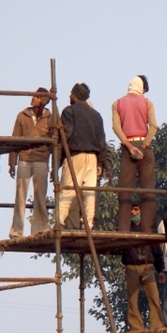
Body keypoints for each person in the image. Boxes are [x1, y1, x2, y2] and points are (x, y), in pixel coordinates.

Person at [58, 83, 110, 230]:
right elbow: (102, 142)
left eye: (71, 93)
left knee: (68, 190)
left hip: (75, 156)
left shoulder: (69, 111)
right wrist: (101, 163)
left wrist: (57, 162)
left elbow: (66, 136)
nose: (69, 96)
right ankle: (88, 224)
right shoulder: (96, 115)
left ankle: (59, 221)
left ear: (75, 96)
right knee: (89, 193)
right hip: (93, 158)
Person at [113, 75, 158, 232]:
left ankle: (123, 230)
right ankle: (148, 229)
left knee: (124, 191)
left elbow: (116, 127)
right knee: (148, 190)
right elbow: (153, 127)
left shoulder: (117, 103)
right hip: (145, 146)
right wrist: (144, 146)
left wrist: (129, 146)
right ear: (141, 88)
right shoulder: (147, 102)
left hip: (128, 148)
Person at [8, 88, 52, 239]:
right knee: (20, 196)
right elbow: (14, 139)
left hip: (41, 160)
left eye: (37, 97)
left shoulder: (51, 118)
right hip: (24, 159)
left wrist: (53, 166)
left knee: (40, 196)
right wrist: (12, 162)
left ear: (43, 100)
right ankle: (16, 231)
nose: (33, 98)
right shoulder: (22, 115)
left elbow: (56, 142)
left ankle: (40, 229)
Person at [121, 202, 165, 332]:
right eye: (131, 210)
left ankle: (157, 326)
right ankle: (136, 328)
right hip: (131, 267)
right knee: (132, 299)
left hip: (147, 266)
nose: (133, 213)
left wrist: (160, 270)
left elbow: (156, 250)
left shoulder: (148, 228)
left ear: (141, 211)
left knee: (154, 297)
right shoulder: (125, 227)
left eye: (136, 210)